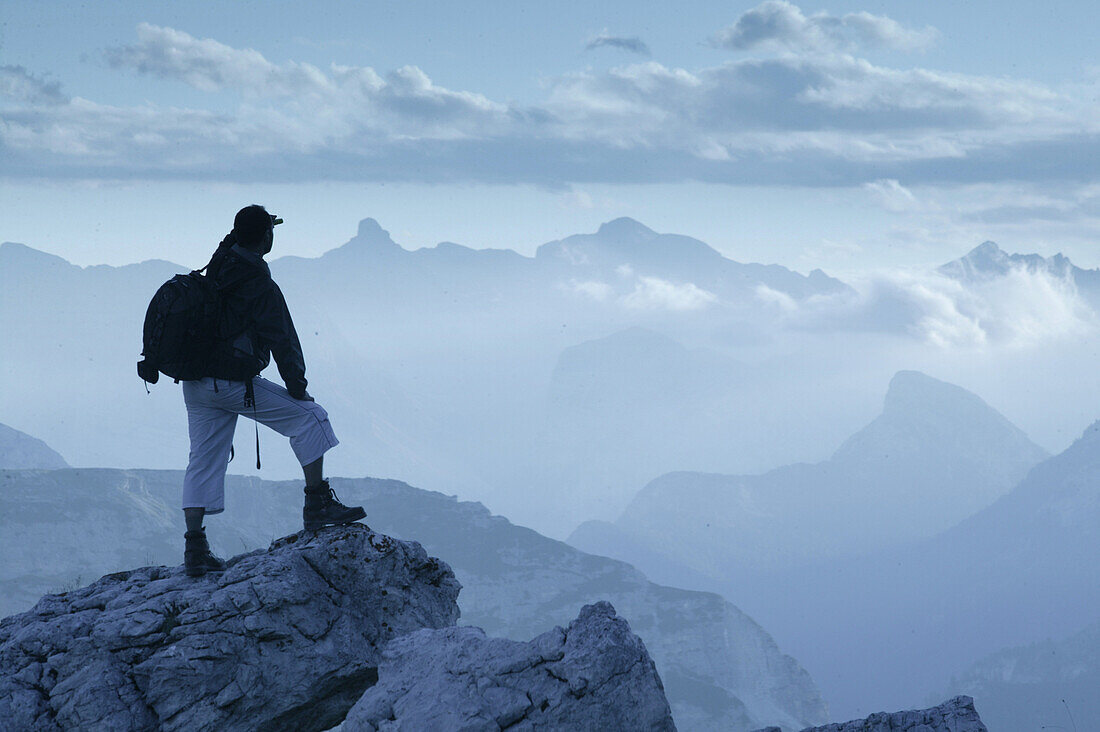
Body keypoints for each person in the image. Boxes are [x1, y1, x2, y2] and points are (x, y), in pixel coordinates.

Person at [179, 204, 365, 577]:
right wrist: (298, 388)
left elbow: (233, 243)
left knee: (202, 459)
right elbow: (282, 339)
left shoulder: (217, 265)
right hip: (232, 384)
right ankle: (317, 505)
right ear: (266, 237)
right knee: (312, 418)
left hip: (195, 383)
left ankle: (195, 548)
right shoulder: (258, 283)